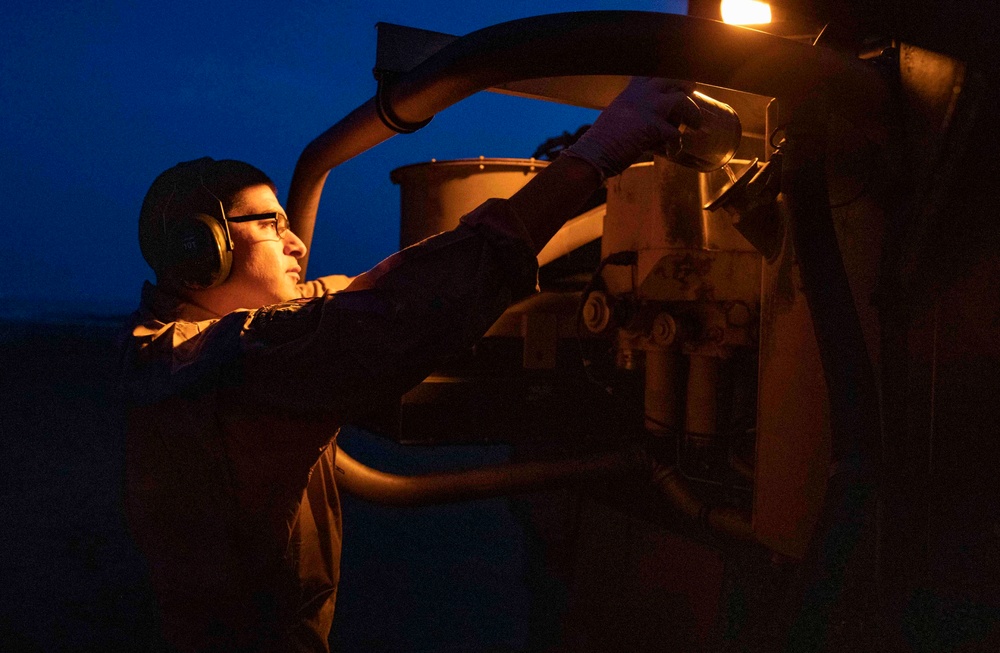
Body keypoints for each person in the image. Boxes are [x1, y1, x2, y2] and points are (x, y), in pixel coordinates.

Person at [120, 77, 698, 652]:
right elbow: (395, 308)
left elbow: (353, 293)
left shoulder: (173, 343)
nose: (295, 244)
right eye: (271, 224)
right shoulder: (224, 361)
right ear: (203, 251)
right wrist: (593, 158)